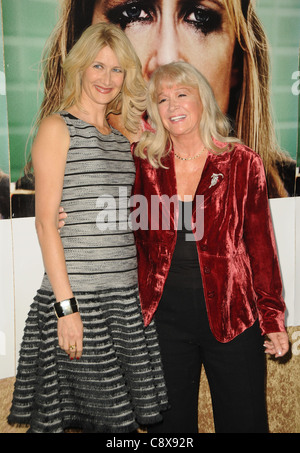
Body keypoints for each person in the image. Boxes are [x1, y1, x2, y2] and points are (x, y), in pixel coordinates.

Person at [8, 23, 167, 433]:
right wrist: (66, 309)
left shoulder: (122, 135)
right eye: (98, 66)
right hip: (79, 302)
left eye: (117, 70)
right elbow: (46, 224)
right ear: (80, 66)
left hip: (125, 303)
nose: (107, 79)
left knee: (126, 427)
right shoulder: (57, 128)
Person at [130, 61, 289, 433]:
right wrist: (66, 212)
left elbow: (261, 248)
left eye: (182, 94)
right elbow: (124, 230)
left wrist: (273, 319)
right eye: (162, 99)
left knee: (244, 423)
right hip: (162, 324)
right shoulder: (144, 162)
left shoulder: (240, 162)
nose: (172, 106)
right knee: (168, 432)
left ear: (203, 99)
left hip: (233, 319)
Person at [33, 0, 295, 198]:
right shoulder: (21, 205)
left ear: (235, 62)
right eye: (133, 13)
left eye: (199, 17)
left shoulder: (289, 197)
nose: (167, 62)